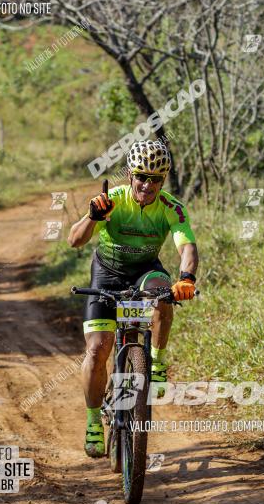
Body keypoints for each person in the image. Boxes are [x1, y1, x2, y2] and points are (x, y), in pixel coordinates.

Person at [68, 139, 199, 457]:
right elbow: (75, 240)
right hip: (107, 273)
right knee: (98, 350)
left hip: (144, 272)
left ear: (163, 179)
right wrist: (92, 217)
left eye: (155, 178)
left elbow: (187, 249)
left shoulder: (171, 207)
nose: (147, 184)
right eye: (141, 176)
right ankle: (93, 423)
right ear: (130, 176)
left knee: (163, 291)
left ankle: (157, 361)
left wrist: (187, 279)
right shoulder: (111, 200)